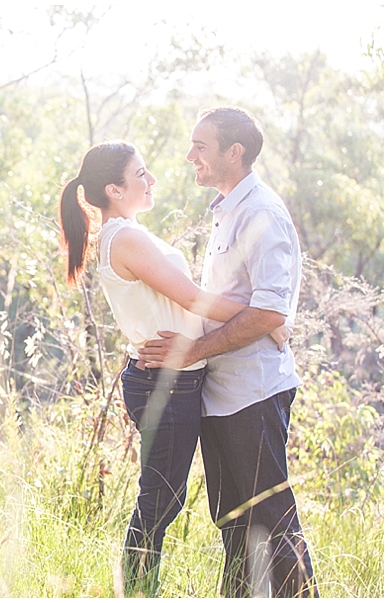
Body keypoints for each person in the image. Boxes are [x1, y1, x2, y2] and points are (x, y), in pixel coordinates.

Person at [58, 141, 287, 597]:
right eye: (141, 174)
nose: (152, 180)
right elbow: (190, 297)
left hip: (173, 379)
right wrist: (265, 319)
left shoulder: (124, 233)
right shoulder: (124, 237)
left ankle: (144, 587)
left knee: (165, 496)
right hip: (165, 381)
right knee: (160, 497)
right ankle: (139, 590)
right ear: (114, 190)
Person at [137, 106, 318, 597]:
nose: (189, 155)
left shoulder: (262, 213)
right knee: (235, 527)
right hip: (221, 393)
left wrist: (191, 349)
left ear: (233, 152)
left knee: (272, 523)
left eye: (201, 146)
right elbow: (234, 305)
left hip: (254, 393)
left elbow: (269, 314)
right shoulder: (227, 209)